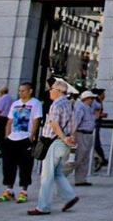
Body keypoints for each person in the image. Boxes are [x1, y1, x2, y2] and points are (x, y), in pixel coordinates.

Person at [28, 78, 80, 216]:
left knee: (47, 175)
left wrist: (63, 137)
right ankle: (70, 196)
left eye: (51, 89)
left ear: (58, 91)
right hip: (63, 143)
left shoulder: (56, 105)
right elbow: (74, 123)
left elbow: (54, 124)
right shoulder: (70, 104)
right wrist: (70, 138)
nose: (49, 91)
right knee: (57, 173)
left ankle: (43, 207)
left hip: (54, 142)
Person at [0, 82, 42, 204]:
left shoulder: (35, 103)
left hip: (25, 138)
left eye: (23, 91)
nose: (20, 93)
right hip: (12, 138)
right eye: (19, 91)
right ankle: (9, 190)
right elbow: (10, 120)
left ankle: (24, 191)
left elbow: (36, 120)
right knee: (8, 164)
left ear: (30, 91)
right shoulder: (15, 104)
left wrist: (32, 135)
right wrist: (7, 135)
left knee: (25, 165)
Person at [70, 90, 98, 186]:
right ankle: (61, 175)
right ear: (86, 99)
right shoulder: (80, 108)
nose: (92, 100)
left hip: (88, 134)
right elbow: (76, 121)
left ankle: (81, 179)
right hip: (81, 134)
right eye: (91, 98)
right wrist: (73, 134)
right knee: (79, 157)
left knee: (85, 157)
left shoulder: (88, 108)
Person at [91, 89, 108, 170]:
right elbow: (96, 115)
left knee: (96, 142)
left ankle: (101, 158)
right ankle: (100, 158)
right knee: (96, 142)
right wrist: (102, 115)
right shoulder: (96, 102)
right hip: (94, 124)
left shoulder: (98, 102)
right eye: (103, 94)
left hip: (96, 124)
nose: (104, 96)